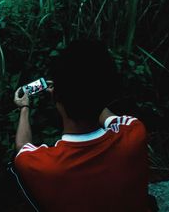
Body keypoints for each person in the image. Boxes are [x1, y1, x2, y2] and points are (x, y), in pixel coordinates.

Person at [12, 38, 152, 212]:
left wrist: (24, 107)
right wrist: (76, 90)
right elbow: (106, 112)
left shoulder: (46, 167)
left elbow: (22, 147)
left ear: (57, 98)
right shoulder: (135, 133)